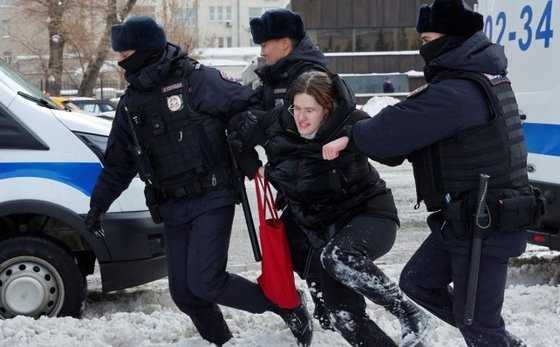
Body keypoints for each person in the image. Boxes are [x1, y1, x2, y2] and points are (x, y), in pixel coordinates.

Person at [82, 16, 313, 347]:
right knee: (185, 293)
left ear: (146, 50)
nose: (121, 60)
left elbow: (249, 106)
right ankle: (222, 341)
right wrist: (98, 204)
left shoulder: (196, 80)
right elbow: (119, 162)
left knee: (206, 282)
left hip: (212, 194)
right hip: (172, 204)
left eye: (126, 52)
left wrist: (249, 144)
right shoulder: (131, 103)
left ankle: (285, 305)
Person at [322, 1, 543, 345]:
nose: (423, 48)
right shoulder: (472, 79)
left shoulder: (457, 91)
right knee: (418, 281)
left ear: (452, 37)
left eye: (427, 38)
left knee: (479, 325)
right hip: (463, 222)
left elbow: (390, 130)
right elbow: (410, 136)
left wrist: (351, 134)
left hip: (484, 227)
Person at [231, 70, 436, 346]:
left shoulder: (351, 121)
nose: (300, 118)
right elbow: (237, 131)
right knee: (343, 316)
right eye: (296, 108)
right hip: (323, 232)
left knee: (338, 256)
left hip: (370, 215)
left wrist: (353, 137)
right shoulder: (277, 123)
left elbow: (394, 151)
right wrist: (252, 166)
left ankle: (410, 315)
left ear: (327, 109)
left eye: (310, 110)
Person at [248, 8, 334, 331]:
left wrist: (257, 123)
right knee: (298, 249)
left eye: (265, 44)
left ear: (284, 43)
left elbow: (299, 127)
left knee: (309, 250)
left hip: (314, 183)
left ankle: (332, 310)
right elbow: (254, 108)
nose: (262, 51)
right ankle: (329, 308)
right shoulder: (280, 77)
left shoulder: (309, 76)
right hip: (293, 183)